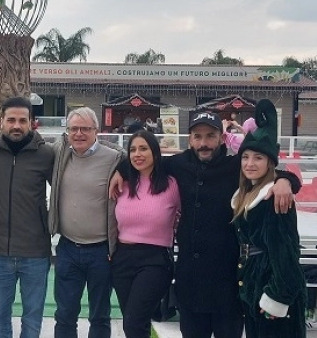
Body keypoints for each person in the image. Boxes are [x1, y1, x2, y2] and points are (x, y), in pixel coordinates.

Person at [109, 111, 300, 338]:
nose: (203, 143)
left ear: (221, 138)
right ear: (189, 139)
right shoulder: (178, 165)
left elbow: (264, 166)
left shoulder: (235, 166)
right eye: (197, 137)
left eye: (210, 136)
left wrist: (286, 181)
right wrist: (120, 170)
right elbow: (146, 159)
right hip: (190, 281)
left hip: (227, 282)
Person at [0, 96, 54, 338]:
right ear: (2, 121)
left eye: (22, 120)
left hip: (36, 253)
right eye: (11, 120)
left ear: (32, 123)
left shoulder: (47, 154)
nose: (16, 125)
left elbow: (78, 166)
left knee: (32, 317)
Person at [232, 99, 306, 337]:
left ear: (270, 162)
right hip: (255, 289)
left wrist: (276, 297)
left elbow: (287, 252)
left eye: (258, 158)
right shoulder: (246, 194)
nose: (250, 163)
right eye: (246, 157)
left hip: (272, 293)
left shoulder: (275, 197)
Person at [48, 107, 124, 338]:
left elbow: (140, 157)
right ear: (67, 132)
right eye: (73, 129)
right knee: (64, 314)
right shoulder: (60, 154)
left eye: (85, 129)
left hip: (101, 252)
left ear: (96, 131)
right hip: (68, 248)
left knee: (99, 315)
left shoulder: (116, 159)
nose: (79, 133)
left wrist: (124, 170)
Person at [111, 130, 180, 338]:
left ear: (155, 153)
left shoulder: (171, 185)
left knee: (133, 322)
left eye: (143, 149)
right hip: (122, 258)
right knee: (135, 324)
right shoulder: (123, 184)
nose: (137, 154)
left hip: (155, 260)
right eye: (132, 150)